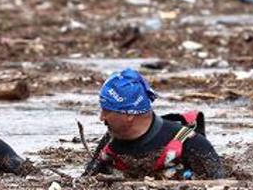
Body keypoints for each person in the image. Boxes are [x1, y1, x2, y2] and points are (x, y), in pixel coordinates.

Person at [83, 68, 225, 179]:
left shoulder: (189, 142)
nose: (101, 118)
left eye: (107, 111)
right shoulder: (110, 140)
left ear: (130, 114)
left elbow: (222, 184)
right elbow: (87, 179)